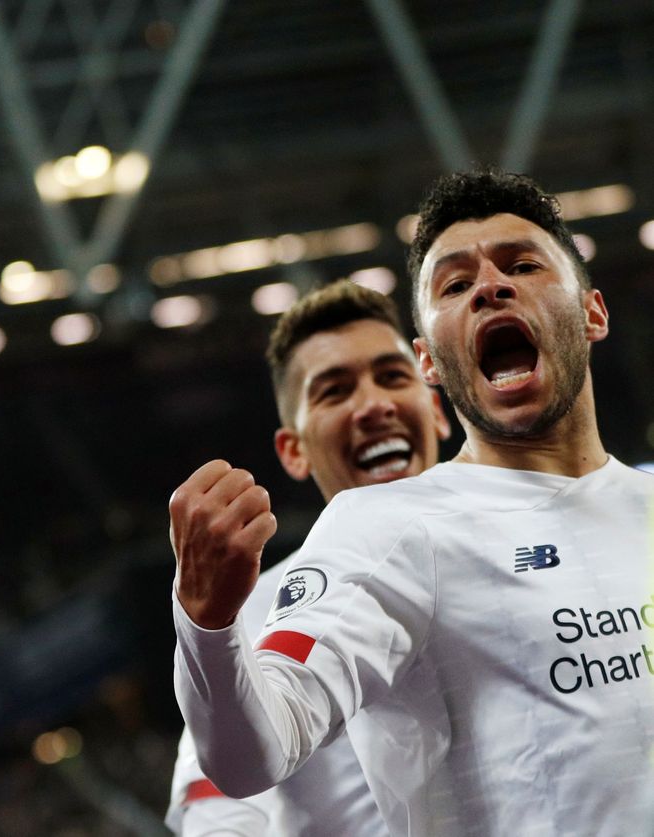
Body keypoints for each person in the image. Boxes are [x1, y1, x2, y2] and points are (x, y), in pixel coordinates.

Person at [171, 169, 654, 836]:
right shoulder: (388, 530)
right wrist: (207, 620)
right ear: (433, 361)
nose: (490, 285)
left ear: (593, 312)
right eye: (455, 284)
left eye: (522, 263)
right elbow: (250, 758)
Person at [166, 280, 450, 835]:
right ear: (294, 450)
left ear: (437, 411)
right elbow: (220, 810)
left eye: (393, 376)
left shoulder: (521, 550)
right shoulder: (256, 608)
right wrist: (206, 620)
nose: (373, 405)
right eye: (334, 390)